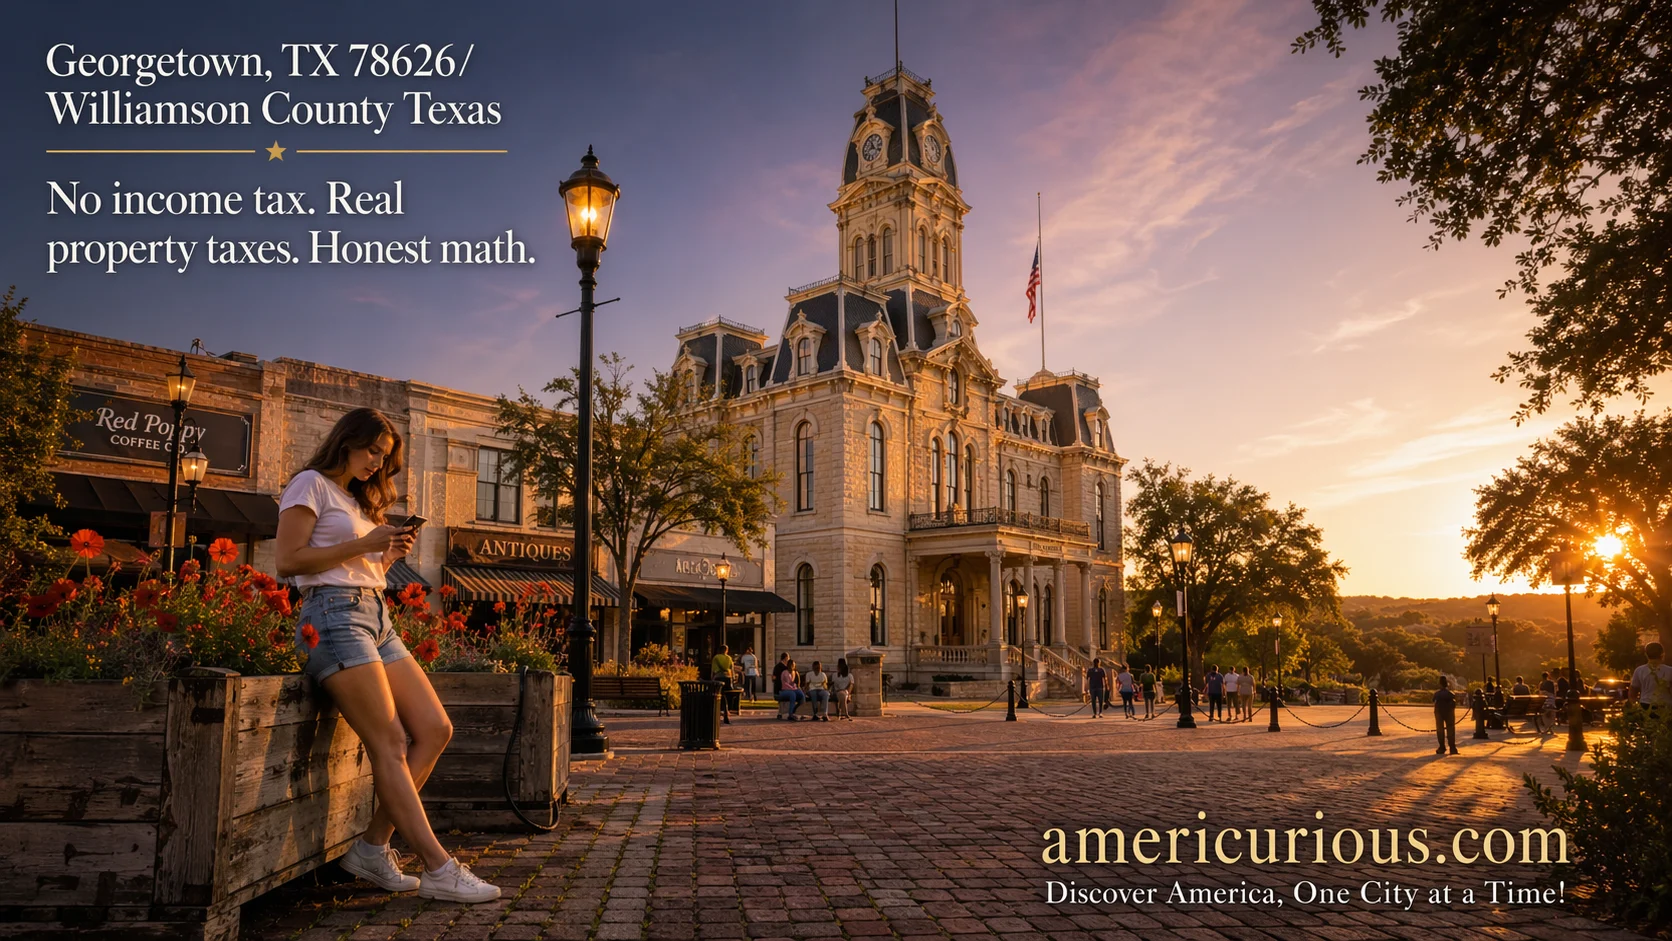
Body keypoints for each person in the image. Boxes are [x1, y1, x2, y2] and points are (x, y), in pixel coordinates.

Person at [276, 408, 500, 903]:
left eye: (385, 456)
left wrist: (386, 555)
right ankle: (439, 868)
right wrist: (364, 542)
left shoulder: (356, 499)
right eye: (374, 450)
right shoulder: (310, 484)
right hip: (332, 616)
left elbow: (357, 562)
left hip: (376, 615)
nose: (378, 463)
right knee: (392, 741)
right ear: (347, 441)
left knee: (436, 729)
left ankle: (371, 849)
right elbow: (288, 561)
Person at [1630, 642, 1672, 714]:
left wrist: (1634, 705)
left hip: (1645, 705)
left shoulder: (1639, 670)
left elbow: (1633, 691)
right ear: (1662, 654)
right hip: (1665, 707)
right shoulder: (1669, 671)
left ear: (1646, 654)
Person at [1433, 676, 1459, 755]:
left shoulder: (1437, 694)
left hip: (1439, 712)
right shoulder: (1451, 694)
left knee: (1440, 730)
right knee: (1450, 729)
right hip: (1449, 712)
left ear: (1440, 684)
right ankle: (1452, 747)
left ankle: (1442, 747)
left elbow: (1433, 700)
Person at [711, 644, 735, 725]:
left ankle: (719, 712)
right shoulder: (729, 658)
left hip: (718, 677)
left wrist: (712, 678)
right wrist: (733, 678)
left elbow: (713, 670)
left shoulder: (716, 658)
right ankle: (726, 712)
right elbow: (732, 669)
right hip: (727, 678)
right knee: (725, 696)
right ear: (726, 651)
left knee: (718, 695)